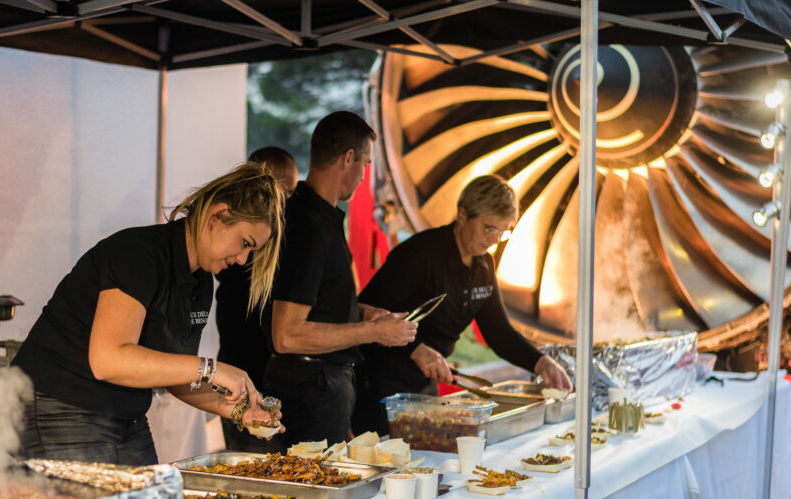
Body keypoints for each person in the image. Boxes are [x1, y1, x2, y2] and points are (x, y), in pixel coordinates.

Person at [13, 162, 285, 465]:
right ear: (218, 215)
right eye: (245, 243)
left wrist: (239, 411)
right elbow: (108, 360)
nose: (243, 259)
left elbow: (180, 377)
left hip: (124, 416)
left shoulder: (200, 282)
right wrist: (211, 367)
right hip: (58, 404)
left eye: (251, 252)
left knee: (153, 495)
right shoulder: (138, 254)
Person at [353, 174, 572, 436]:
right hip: (379, 383)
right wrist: (416, 349)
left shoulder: (484, 265)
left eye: (503, 232)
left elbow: (499, 333)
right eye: (489, 228)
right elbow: (365, 312)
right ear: (462, 215)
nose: (494, 239)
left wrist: (541, 363)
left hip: (424, 385)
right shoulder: (419, 254)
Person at [262, 111, 417, 450]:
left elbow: (320, 303)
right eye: (365, 164)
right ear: (348, 157)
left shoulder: (323, 217)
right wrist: (373, 332)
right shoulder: (307, 225)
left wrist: (363, 313)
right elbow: (286, 335)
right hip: (308, 389)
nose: (363, 176)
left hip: (324, 386)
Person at [216, 147, 299, 452]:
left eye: (288, 196)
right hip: (240, 375)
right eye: (279, 193)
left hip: (268, 380)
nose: (281, 205)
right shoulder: (233, 253)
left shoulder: (277, 240)